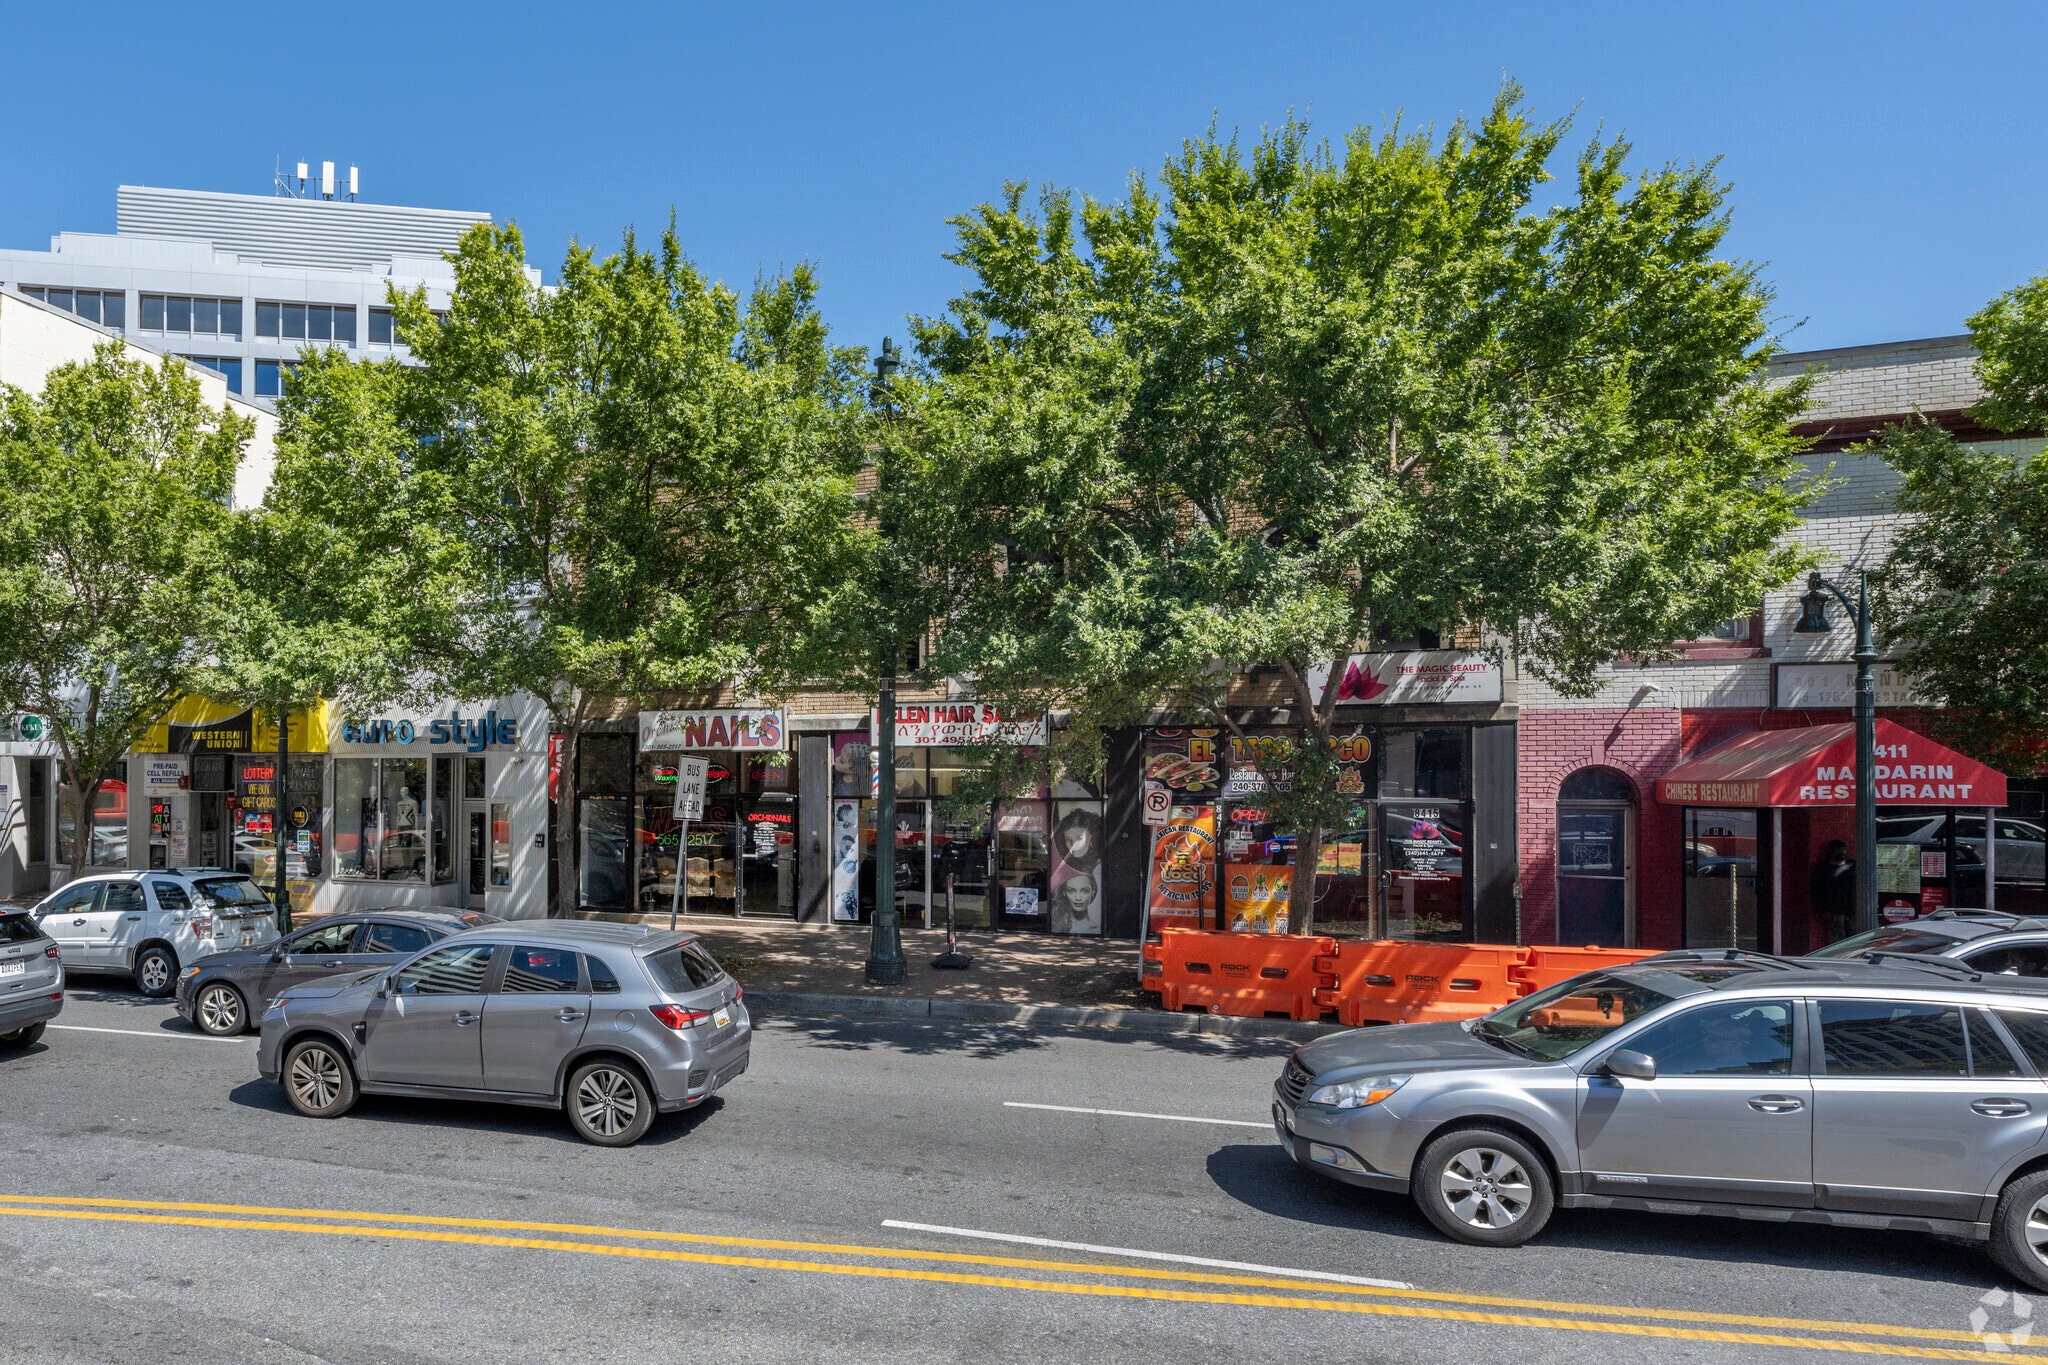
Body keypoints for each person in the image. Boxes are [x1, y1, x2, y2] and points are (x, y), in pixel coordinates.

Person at [1810, 840, 1856, 945]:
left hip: (1853, 909)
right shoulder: (1822, 869)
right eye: (1838, 850)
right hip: (1834, 910)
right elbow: (1816, 890)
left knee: (1856, 940)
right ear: (1830, 851)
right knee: (1837, 942)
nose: (1842, 852)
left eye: (1844, 849)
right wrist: (1821, 909)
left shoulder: (1853, 865)